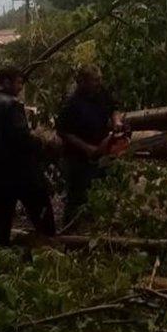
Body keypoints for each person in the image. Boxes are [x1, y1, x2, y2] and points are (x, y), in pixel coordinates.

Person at [0, 65, 55, 247]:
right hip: (18, 172)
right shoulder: (12, 105)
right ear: (6, 82)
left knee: (0, 216)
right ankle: (50, 246)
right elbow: (22, 140)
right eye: (18, 83)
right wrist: (40, 140)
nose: (21, 87)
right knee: (41, 206)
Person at [55, 64, 127, 225]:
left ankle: (98, 227)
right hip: (77, 157)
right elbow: (63, 131)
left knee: (101, 192)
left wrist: (116, 121)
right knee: (78, 196)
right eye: (95, 80)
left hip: (101, 151)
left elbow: (115, 108)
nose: (99, 83)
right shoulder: (71, 103)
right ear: (83, 81)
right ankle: (72, 230)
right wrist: (87, 148)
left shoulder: (102, 94)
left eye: (100, 79)